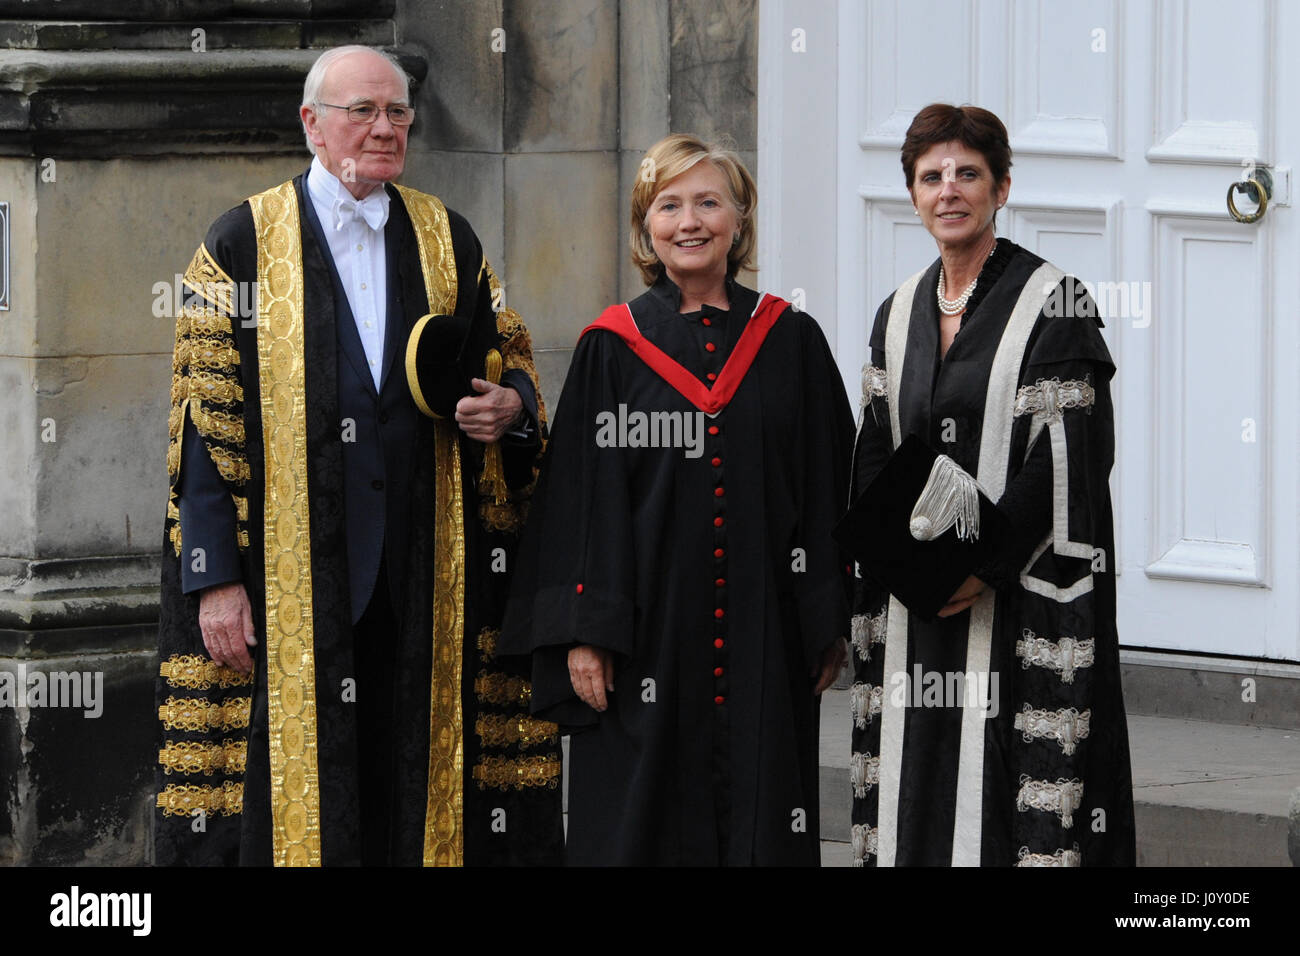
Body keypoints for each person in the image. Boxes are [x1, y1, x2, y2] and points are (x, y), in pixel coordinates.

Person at [154, 45, 562, 866]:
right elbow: (204, 422)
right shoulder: (241, 243)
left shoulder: (449, 237)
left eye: (398, 112)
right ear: (312, 123)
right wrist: (215, 580)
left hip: (427, 563)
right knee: (299, 781)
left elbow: (504, 363)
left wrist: (510, 407)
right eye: (362, 111)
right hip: (292, 573)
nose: (384, 128)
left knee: (410, 770)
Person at [500, 134, 854, 866]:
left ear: (739, 219)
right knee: (641, 824)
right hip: (645, 635)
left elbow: (826, 488)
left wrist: (824, 616)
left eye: (708, 202)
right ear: (646, 226)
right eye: (669, 205)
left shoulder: (790, 341)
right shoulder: (615, 348)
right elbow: (583, 503)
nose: (689, 221)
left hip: (764, 632)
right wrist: (585, 632)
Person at [846, 104, 1135, 866]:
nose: (949, 190)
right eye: (931, 176)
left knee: (1006, 791)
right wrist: (893, 560)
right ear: (911, 194)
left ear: (1002, 187)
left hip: (1015, 593)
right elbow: (875, 447)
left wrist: (981, 565)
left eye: (967, 174)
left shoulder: (1055, 303)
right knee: (918, 783)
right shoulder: (897, 312)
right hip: (918, 598)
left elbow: (1069, 456)